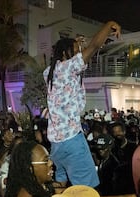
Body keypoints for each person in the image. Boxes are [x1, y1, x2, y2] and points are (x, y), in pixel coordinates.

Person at [44, 21, 121, 188]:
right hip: (72, 140)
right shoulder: (68, 68)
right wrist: (109, 25)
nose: (80, 54)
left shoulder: (49, 72)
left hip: (56, 144)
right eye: (77, 51)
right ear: (65, 54)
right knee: (87, 191)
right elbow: (93, 46)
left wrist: (76, 45)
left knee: (60, 185)